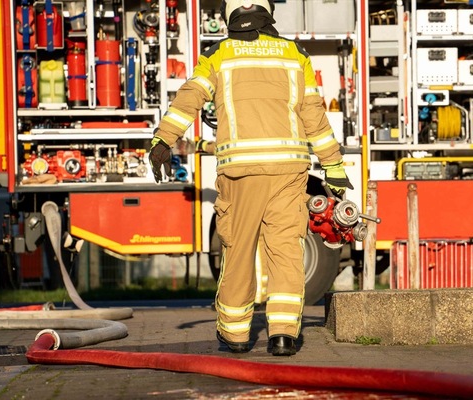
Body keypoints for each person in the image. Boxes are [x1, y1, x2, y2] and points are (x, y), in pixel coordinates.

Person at [148, 0, 352, 356]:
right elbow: (314, 116)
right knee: (286, 250)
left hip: (240, 173)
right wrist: (333, 167)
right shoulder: (294, 54)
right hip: (289, 172)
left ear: (230, 14)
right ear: (269, 11)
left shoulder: (219, 54)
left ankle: (237, 335)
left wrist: (164, 139)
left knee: (239, 250)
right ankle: (284, 335)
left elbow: (190, 98)